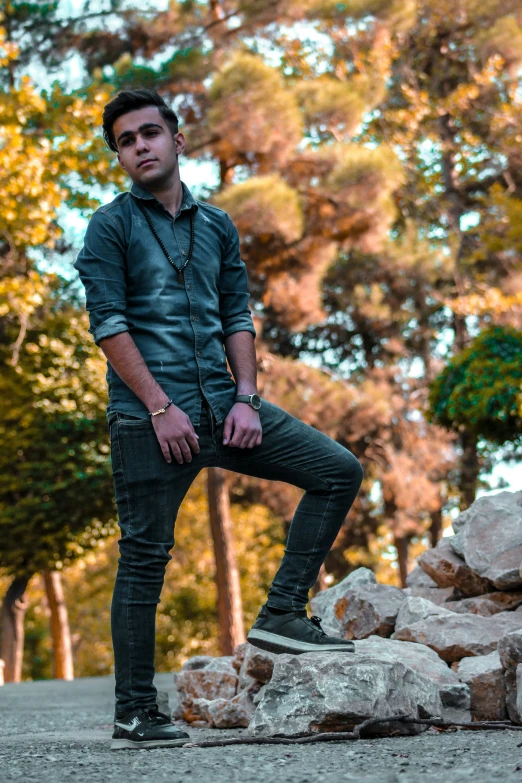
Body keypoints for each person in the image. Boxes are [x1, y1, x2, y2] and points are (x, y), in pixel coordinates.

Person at [73, 88, 364, 750]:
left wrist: (247, 396)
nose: (140, 145)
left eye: (150, 132)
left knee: (337, 469)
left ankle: (284, 610)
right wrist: (159, 407)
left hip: (225, 410)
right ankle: (134, 712)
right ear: (120, 156)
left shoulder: (217, 226)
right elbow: (110, 325)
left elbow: (236, 312)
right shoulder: (109, 227)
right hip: (150, 419)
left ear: (178, 141)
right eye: (125, 140)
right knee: (144, 558)